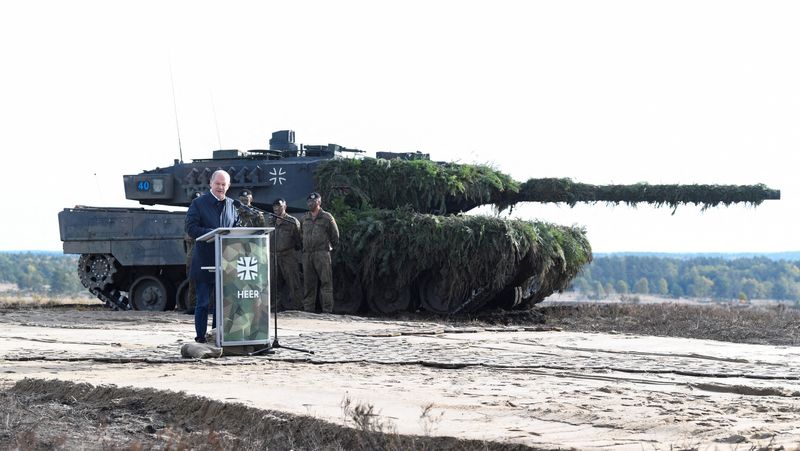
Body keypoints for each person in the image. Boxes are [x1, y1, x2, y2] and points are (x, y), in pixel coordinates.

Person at [185, 170, 240, 343]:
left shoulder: (232, 205)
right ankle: (200, 337)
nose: (221, 187)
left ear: (228, 186)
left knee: (221, 305)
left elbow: (236, 228)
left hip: (226, 262)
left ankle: (217, 336)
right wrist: (212, 233)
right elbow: (191, 228)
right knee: (202, 303)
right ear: (211, 183)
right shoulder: (198, 204)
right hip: (205, 261)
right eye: (218, 184)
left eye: (224, 185)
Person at [301, 192, 339, 313]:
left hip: (322, 253)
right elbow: (300, 234)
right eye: (309, 202)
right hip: (307, 254)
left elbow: (335, 236)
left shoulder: (327, 217)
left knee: (326, 282)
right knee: (308, 283)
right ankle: (308, 309)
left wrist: (327, 247)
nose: (311, 203)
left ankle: (327, 309)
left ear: (319, 202)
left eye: (313, 201)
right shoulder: (304, 218)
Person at [267, 198, 303, 310]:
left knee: (293, 282)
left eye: (279, 206)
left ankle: (298, 306)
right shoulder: (270, 221)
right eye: (275, 206)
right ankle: (274, 306)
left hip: (288, 256)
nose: (277, 208)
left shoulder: (292, 221)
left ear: (285, 207)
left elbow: (299, 239)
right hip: (273, 256)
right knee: (273, 282)